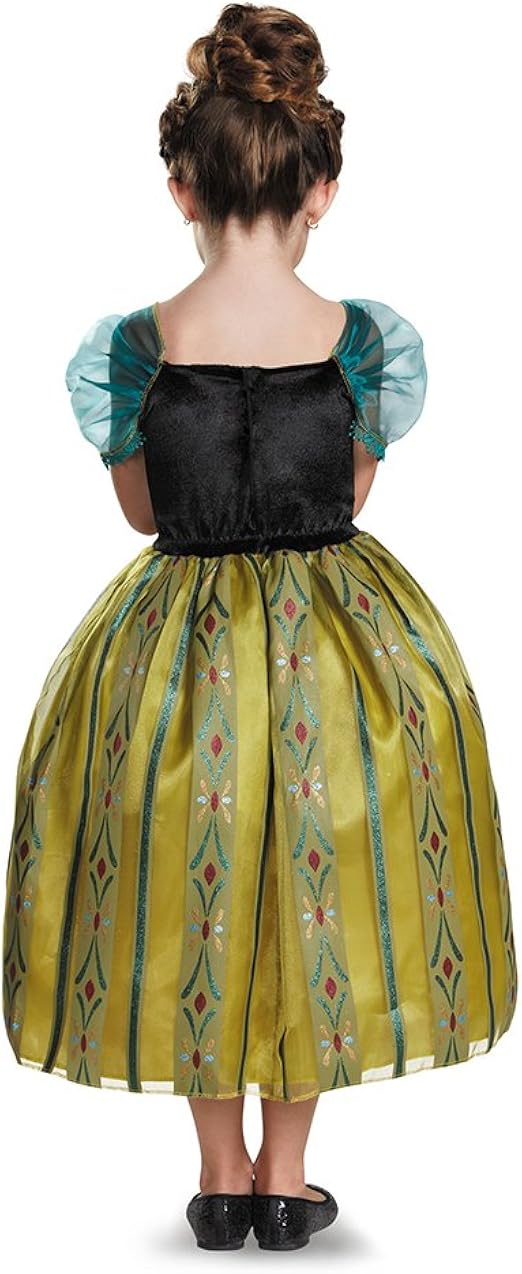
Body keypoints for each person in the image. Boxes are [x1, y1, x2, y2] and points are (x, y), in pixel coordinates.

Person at [2, 1, 517, 1254]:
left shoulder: (138, 348)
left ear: (182, 189)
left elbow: (143, 513)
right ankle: (289, 1175)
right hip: (334, 649)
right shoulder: (361, 344)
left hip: (172, 650)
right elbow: (346, 499)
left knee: (197, 875)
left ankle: (219, 1172)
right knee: (312, 881)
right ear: (320, 189)